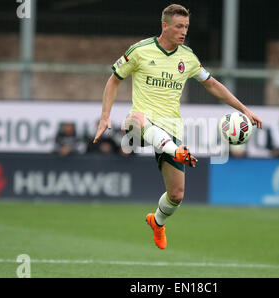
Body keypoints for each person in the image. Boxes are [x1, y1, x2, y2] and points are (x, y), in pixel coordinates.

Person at [93, 4, 262, 250]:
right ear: (165, 26)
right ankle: (175, 151)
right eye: (179, 26)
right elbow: (114, 80)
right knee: (138, 119)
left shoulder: (188, 57)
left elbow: (212, 84)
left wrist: (243, 109)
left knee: (177, 195)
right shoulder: (140, 51)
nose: (184, 32)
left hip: (170, 129)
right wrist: (105, 116)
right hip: (138, 126)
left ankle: (157, 221)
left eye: (186, 27)